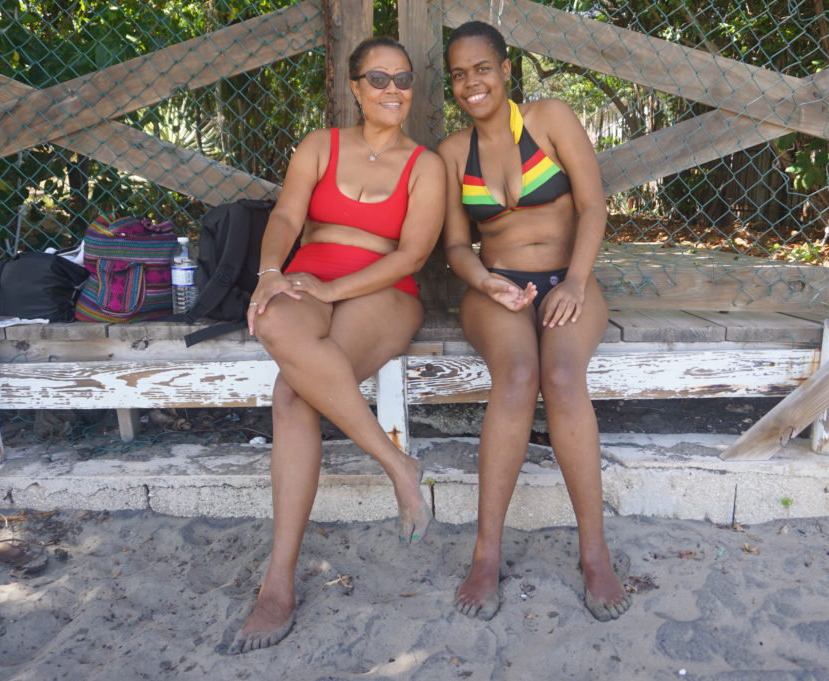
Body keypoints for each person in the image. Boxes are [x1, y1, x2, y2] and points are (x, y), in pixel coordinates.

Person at [226, 36, 446, 654]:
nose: (393, 90)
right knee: (271, 324)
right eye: (378, 80)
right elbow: (287, 218)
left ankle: (277, 586)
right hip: (304, 279)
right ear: (354, 88)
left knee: (294, 397)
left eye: (403, 79)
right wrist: (272, 273)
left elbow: (414, 253)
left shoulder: (425, 165)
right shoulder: (319, 146)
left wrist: (332, 289)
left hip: (385, 290)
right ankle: (397, 463)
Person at [438, 21, 631, 622]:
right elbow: (455, 247)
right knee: (518, 375)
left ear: (505, 70)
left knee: (565, 377)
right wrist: (486, 282)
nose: (473, 82)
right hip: (495, 287)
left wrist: (574, 281)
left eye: (482, 69)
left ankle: (594, 552)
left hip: (568, 280)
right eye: (459, 74)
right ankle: (486, 553)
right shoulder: (451, 153)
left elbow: (595, 204)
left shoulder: (549, 119)